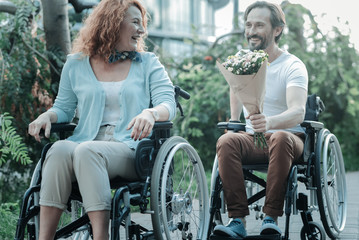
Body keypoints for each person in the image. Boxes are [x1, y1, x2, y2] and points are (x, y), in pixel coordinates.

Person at [28, 0, 176, 239]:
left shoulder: (148, 63)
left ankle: (101, 236)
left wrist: (151, 113)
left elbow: (168, 103)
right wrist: (47, 115)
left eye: (142, 23)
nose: (142, 30)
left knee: (87, 151)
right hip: (85, 142)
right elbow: (63, 108)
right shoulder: (75, 64)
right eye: (135, 22)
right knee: (57, 149)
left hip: (128, 148)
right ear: (113, 24)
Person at [213, 1, 308, 238]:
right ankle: (237, 220)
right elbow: (235, 90)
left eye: (259, 25)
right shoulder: (243, 61)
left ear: (277, 30)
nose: (251, 31)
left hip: (288, 139)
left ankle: (270, 218)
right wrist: (234, 122)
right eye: (248, 25)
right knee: (226, 143)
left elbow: (299, 111)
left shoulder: (292, 65)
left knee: (280, 137)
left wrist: (271, 123)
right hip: (253, 138)